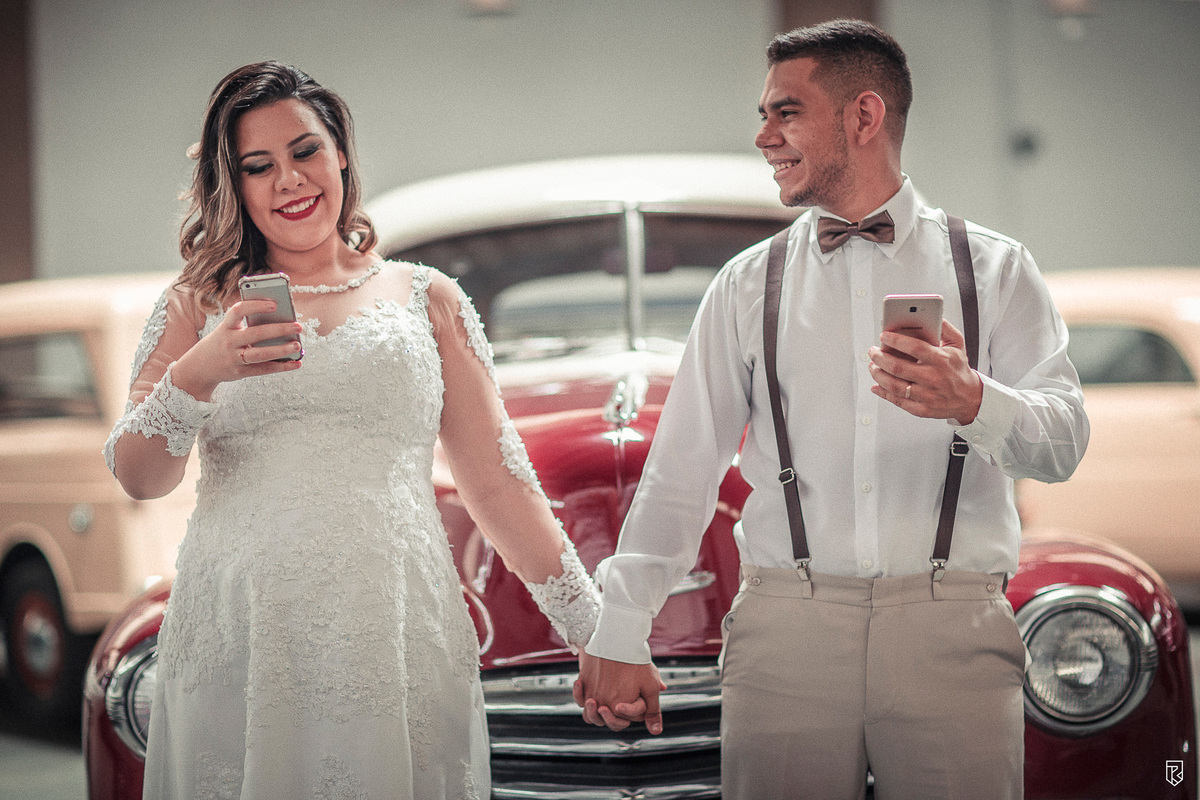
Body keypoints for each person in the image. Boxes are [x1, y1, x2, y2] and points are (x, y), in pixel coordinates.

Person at [574, 19, 1088, 800]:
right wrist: (621, 626)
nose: (762, 136)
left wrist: (975, 400)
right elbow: (682, 470)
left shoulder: (995, 269)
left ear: (864, 116)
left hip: (953, 623)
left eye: (784, 112)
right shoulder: (748, 285)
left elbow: (1064, 446)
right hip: (788, 632)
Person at [104, 61, 599, 800]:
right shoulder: (195, 305)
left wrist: (597, 631)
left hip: (394, 629)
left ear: (340, 152)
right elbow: (139, 476)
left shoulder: (427, 298)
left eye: (304, 151)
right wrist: (201, 371)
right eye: (257, 166)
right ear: (233, 185)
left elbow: (496, 480)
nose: (289, 181)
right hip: (243, 632)